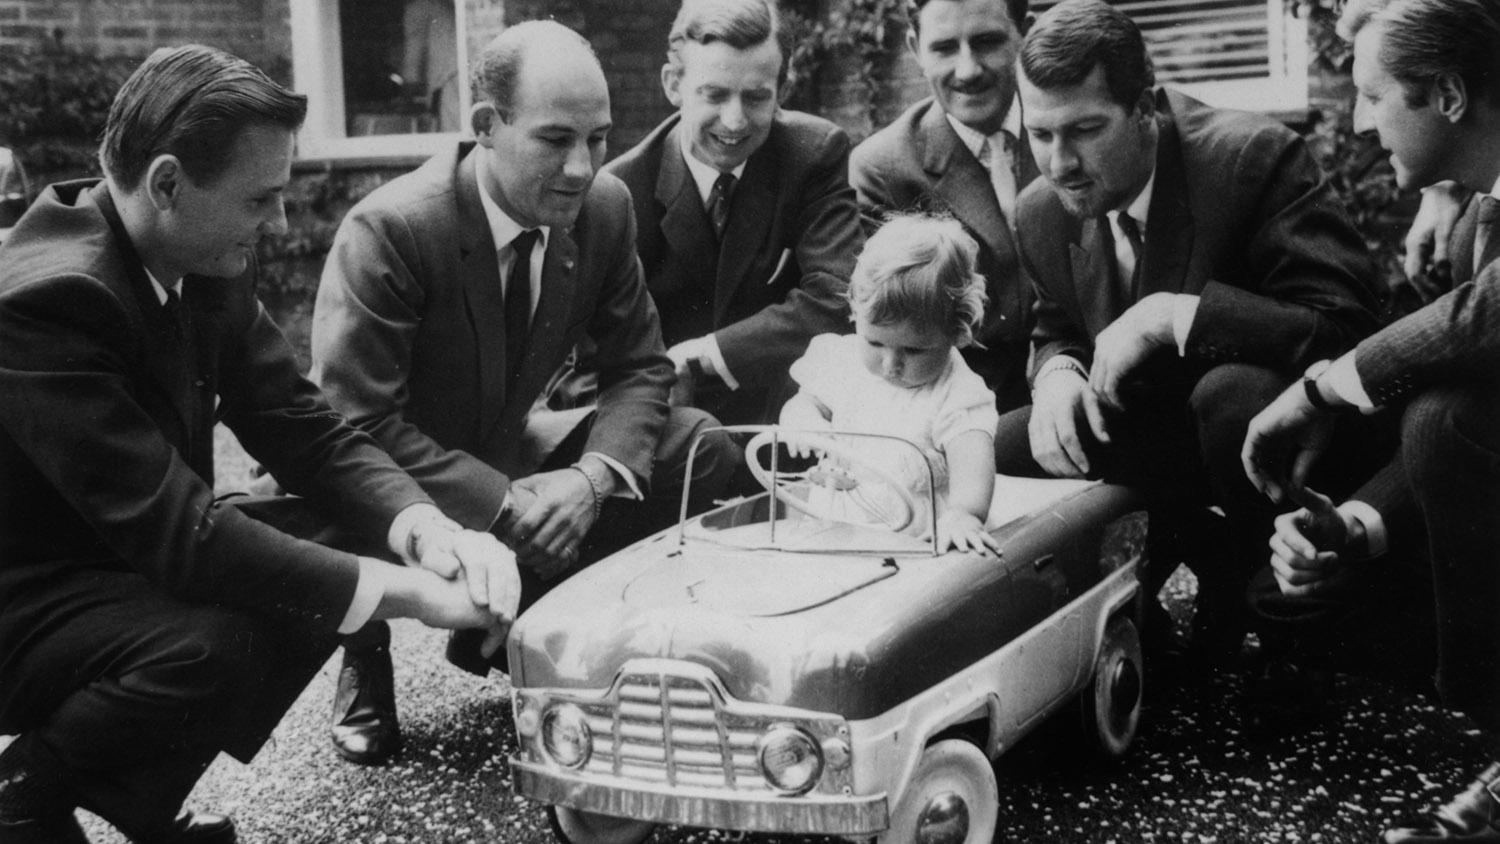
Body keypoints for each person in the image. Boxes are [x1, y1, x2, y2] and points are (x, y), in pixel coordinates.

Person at [0, 45, 519, 844]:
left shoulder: (196, 251)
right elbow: (183, 538)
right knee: (208, 644)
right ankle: (25, 796)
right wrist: (416, 596)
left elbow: (299, 424)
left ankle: (126, 803)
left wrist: (430, 533)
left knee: (343, 535)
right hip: (24, 596)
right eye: (261, 199)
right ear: (168, 183)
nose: (277, 222)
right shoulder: (50, 299)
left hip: (110, 563)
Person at [311, 20, 737, 766]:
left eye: (599, 139)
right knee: (333, 493)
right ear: (485, 126)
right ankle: (364, 650)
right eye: (554, 139)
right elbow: (356, 423)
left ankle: (532, 630)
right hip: (401, 471)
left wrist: (588, 481)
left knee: (699, 445)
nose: (581, 167)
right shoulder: (392, 229)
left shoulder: (604, 209)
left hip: (512, 448)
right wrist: (504, 505)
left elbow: (641, 367)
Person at [993, 0, 1383, 666]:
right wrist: (1058, 372)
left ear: (1144, 107)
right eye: (1040, 134)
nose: (1059, 163)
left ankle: (1295, 622)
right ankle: (1115, 616)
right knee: (1011, 439)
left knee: (1231, 395)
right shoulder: (1041, 212)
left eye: (1085, 130)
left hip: (1273, 437)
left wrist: (1178, 314)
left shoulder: (1248, 158)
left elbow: (1349, 328)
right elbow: (1055, 322)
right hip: (1161, 433)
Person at [1241, 0, 1500, 839]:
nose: (1356, 121)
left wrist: (1320, 388)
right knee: (1440, 418)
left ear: (1450, 95)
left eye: (1373, 94)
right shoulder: (1474, 222)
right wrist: (1354, 524)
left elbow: (1481, 316)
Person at [550, 0, 864, 426]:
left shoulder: (813, 154)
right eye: (714, 95)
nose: (734, 121)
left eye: (756, 98)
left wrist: (705, 354)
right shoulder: (618, 194)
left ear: (782, 90)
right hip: (672, 436)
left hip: (791, 427)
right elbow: (586, 364)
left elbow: (840, 298)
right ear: (673, 84)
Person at [849, 0, 1037, 412]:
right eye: (945, 48)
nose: (968, 70)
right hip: (968, 410)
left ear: (1025, 33)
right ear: (915, 48)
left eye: (987, 42)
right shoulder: (884, 167)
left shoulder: (1070, 130)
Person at [780, 214, 1001, 552]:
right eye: (875, 343)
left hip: (912, 540)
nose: (890, 364)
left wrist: (965, 513)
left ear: (956, 333)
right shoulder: (843, 361)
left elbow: (973, 460)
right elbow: (806, 401)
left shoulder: (955, 393)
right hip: (835, 525)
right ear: (855, 311)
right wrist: (801, 419)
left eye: (913, 350)